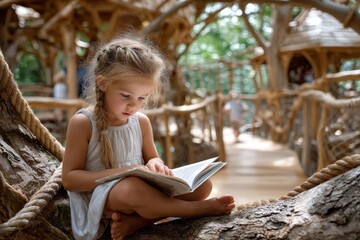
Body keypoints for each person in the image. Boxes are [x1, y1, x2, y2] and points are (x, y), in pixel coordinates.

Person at [61, 33, 235, 240]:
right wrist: (127, 171)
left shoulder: (140, 121)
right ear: (103, 84)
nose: (133, 105)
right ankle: (196, 210)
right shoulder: (83, 123)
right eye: (126, 96)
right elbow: (70, 179)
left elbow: (152, 157)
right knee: (132, 189)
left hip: (141, 193)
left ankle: (137, 222)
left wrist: (156, 165)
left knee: (202, 184)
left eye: (142, 98)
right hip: (104, 195)